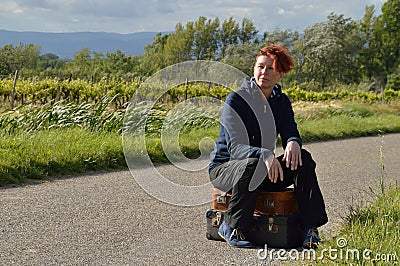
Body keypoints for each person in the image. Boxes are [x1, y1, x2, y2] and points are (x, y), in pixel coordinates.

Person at [208, 44, 328, 249]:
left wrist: (293, 142)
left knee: (303, 159)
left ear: (280, 74)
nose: (264, 72)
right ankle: (231, 225)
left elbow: (290, 130)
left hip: (261, 170)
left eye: (270, 68)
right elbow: (235, 148)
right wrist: (265, 154)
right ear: (254, 69)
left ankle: (309, 228)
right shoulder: (236, 100)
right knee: (254, 163)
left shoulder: (281, 102)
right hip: (226, 170)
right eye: (260, 67)